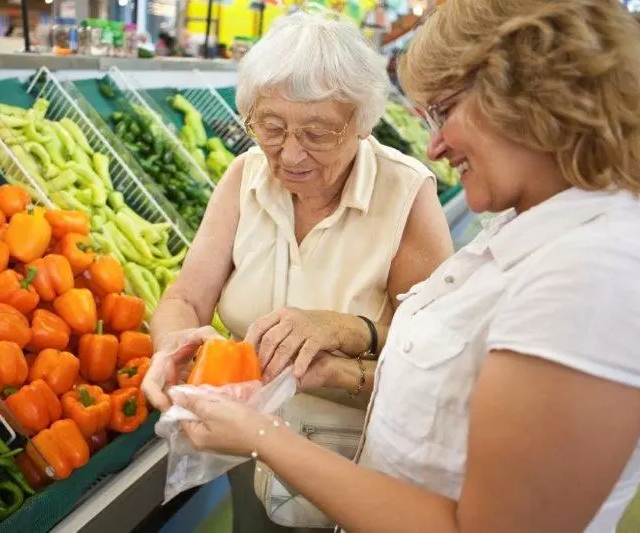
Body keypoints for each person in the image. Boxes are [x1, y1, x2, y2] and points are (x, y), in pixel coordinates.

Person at [168, 1, 640, 532]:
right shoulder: (527, 235)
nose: (435, 145)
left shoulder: (598, 276)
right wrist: (334, 370)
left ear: (529, 101)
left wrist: (262, 437)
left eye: (444, 111)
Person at [143, 9, 454, 533]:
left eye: (318, 132)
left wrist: (346, 336)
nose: (289, 153)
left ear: (362, 123)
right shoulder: (244, 176)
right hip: (245, 457)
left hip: (359, 472)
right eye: (271, 127)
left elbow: (436, 366)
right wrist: (171, 345)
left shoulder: (405, 193)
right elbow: (185, 299)